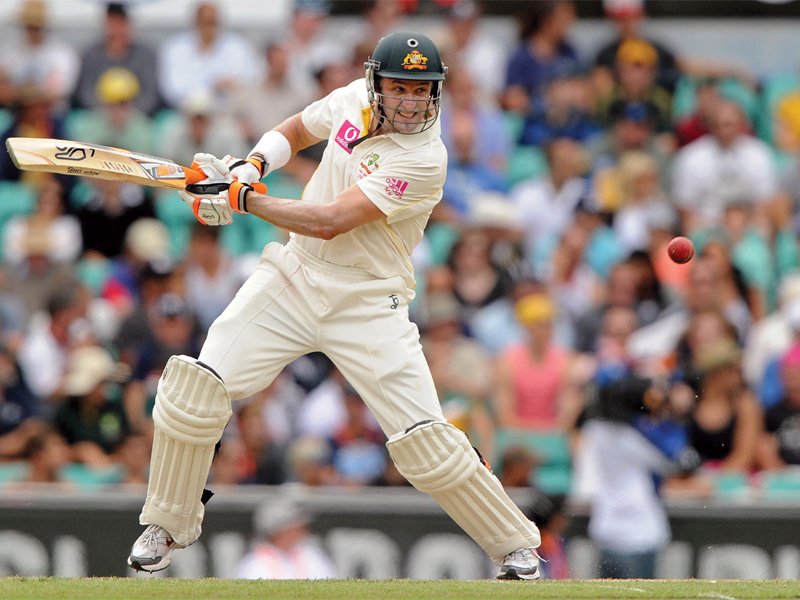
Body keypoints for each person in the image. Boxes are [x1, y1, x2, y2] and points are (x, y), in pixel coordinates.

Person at [127, 31, 542, 581]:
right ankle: (168, 522)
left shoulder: (425, 158)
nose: (411, 101)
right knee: (194, 389)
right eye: (400, 87)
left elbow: (330, 220)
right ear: (376, 83)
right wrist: (251, 166)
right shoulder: (352, 99)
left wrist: (240, 197)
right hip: (295, 275)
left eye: (422, 91)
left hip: (369, 300)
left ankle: (516, 547)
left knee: (425, 442)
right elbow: (297, 129)